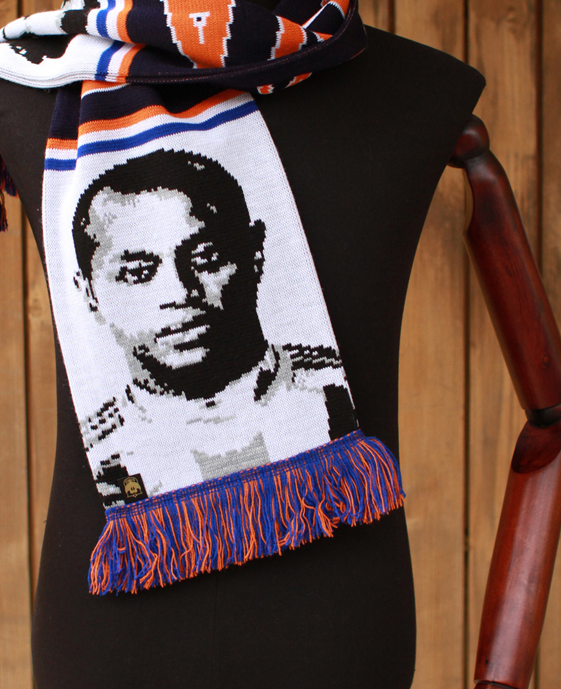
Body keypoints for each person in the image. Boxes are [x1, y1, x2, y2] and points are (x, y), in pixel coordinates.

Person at [71, 147, 357, 503]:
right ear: (89, 294)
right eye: (138, 273)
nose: (180, 293)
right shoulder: (98, 454)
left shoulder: (336, 388)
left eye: (206, 257)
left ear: (254, 251)